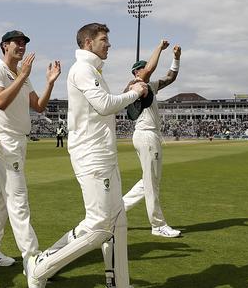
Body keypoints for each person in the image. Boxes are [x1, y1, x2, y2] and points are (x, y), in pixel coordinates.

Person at [25, 23, 148, 288]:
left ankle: (118, 282)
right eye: (104, 39)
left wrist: (127, 91)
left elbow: (103, 102)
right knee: (100, 227)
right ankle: (40, 269)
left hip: (104, 154)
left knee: (118, 221)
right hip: (91, 156)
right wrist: (134, 92)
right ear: (87, 43)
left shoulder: (92, 70)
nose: (109, 44)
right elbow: (104, 105)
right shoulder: (82, 69)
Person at [0, 31, 61, 278]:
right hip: (4, 140)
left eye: (25, 43)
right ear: (5, 45)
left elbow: (38, 106)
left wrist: (50, 82)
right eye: (18, 42)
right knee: (18, 198)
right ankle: (33, 259)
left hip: (19, 140)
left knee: (2, 199)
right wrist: (22, 75)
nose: (22, 46)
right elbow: (0, 100)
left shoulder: (22, 77)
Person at [121, 40, 182, 238]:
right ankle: (157, 224)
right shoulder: (133, 86)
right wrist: (159, 48)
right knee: (152, 182)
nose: (143, 71)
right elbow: (149, 69)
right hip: (146, 135)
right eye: (140, 69)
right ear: (135, 73)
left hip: (150, 135)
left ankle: (115, 211)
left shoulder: (149, 86)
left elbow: (170, 78)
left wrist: (176, 58)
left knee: (148, 180)